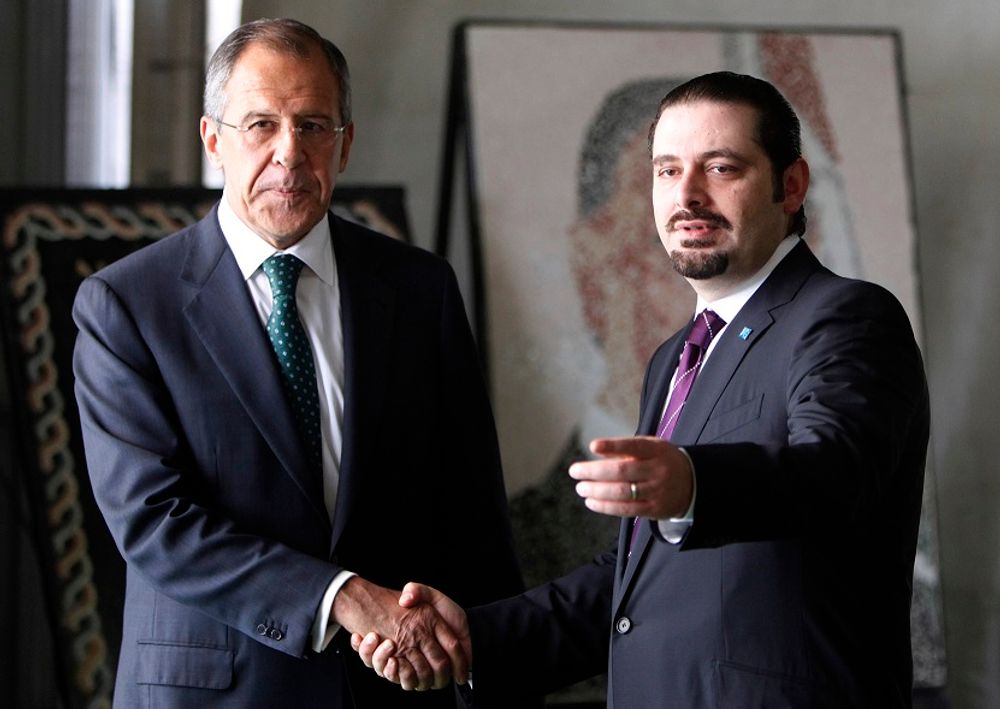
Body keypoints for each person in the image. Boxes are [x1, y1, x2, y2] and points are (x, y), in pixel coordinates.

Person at [353, 71, 930, 707]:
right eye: (666, 171)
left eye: (721, 168)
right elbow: (637, 580)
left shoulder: (846, 316)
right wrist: (472, 639)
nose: (688, 195)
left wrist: (696, 483)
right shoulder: (672, 360)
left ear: (790, 186)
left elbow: (835, 475)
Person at [72, 17, 524, 708]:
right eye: (261, 125)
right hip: (213, 691)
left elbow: (471, 517)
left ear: (345, 146)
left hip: (393, 692)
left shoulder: (419, 288)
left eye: (313, 126)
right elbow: (154, 519)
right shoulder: (127, 305)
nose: (290, 153)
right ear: (213, 139)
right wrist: (339, 596)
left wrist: (491, 682)